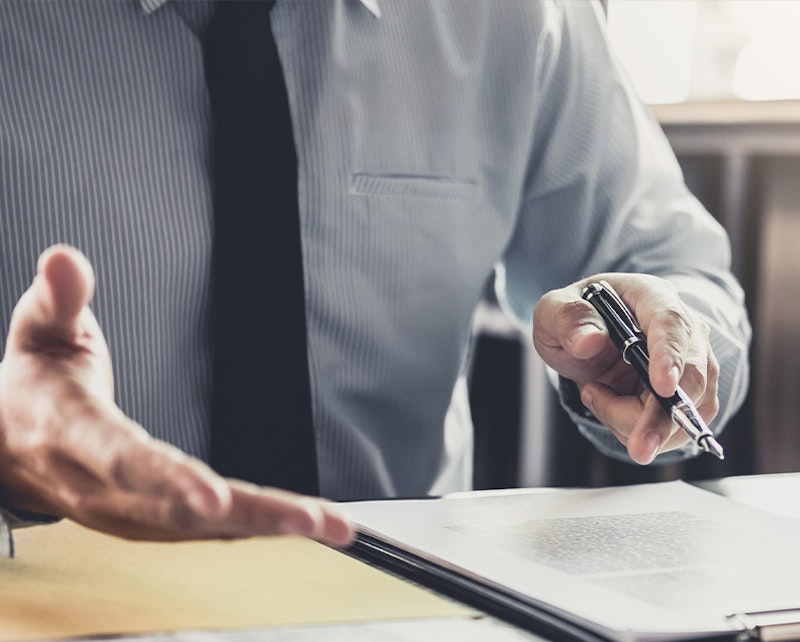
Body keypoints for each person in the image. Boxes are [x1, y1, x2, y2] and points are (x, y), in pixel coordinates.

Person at [0, 0, 749, 548]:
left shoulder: (520, 15)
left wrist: (660, 346)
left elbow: (672, 271)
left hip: (413, 626)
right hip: (45, 624)